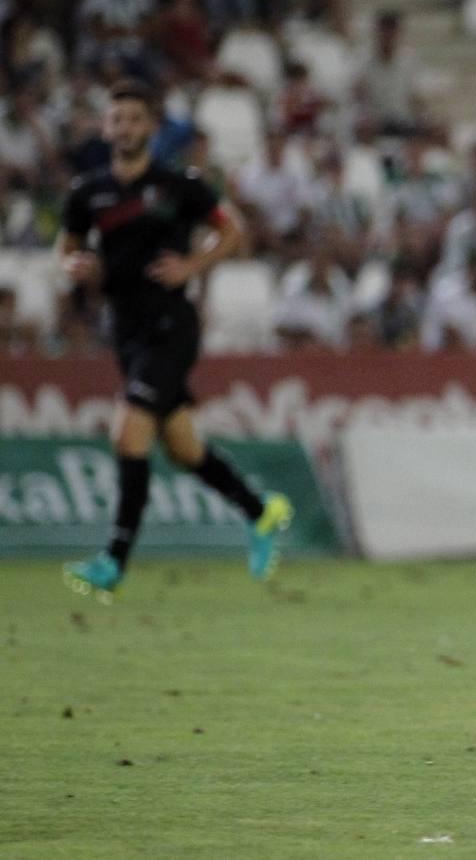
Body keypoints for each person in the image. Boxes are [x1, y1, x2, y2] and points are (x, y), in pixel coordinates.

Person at [58, 80, 293, 599]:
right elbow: (68, 245)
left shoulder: (178, 185)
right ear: (105, 127)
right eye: (117, 119)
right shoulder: (89, 192)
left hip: (172, 325)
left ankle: (113, 561)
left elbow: (231, 230)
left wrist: (192, 264)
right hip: (126, 331)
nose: (125, 128)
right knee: (184, 447)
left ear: (152, 127)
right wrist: (73, 264)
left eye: (135, 119)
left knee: (129, 431)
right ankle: (261, 512)